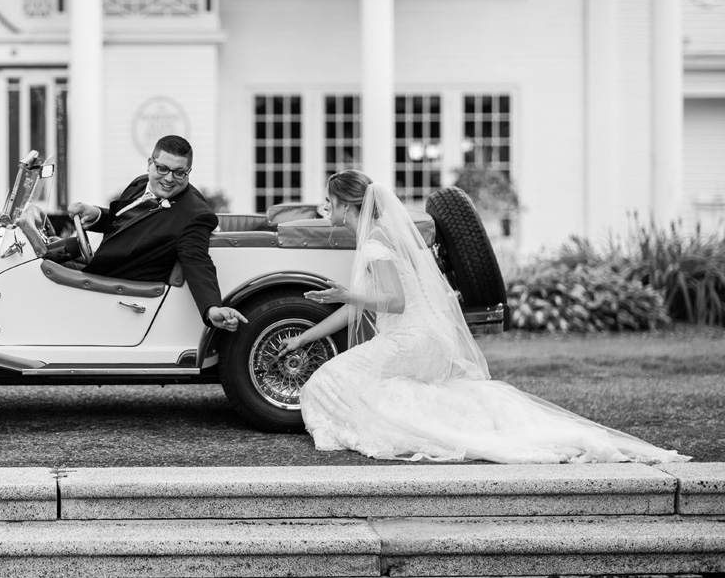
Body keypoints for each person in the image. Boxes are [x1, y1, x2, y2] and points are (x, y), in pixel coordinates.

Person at [277, 169, 690, 464]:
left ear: (346, 205)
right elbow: (357, 306)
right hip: (426, 342)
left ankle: (427, 430)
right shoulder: (381, 237)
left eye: (329, 202)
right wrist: (306, 337)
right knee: (374, 388)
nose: (325, 208)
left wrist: (346, 292)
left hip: (410, 341)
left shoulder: (374, 243)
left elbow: (394, 302)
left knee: (325, 384)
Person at [66, 135, 248, 333]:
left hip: (119, 290)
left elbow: (196, 260)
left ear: (188, 172)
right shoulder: (140, 184)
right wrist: (98, 215)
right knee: (52, 256)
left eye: (179, 173)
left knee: (47, 270)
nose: (169, 178)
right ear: (149, 164)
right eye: (162, 168)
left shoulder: (194, 214)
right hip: (102, 270)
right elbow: (128, 222)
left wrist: (212, 308)